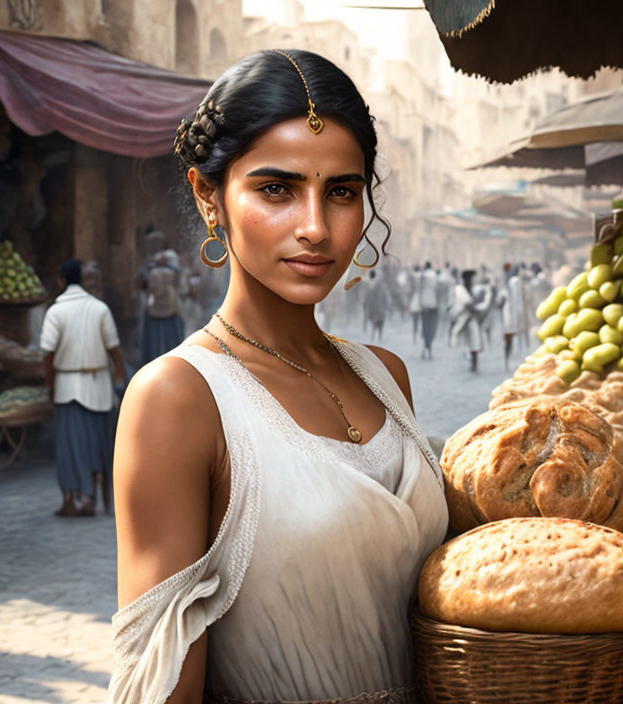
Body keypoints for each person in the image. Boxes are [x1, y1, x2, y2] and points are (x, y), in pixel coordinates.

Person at [109, 49, 448, 704]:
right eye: (276, 189)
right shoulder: (179, 398)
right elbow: (162, 681)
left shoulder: (385, 375)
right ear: (209, 196)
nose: (317, 228)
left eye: (342, 193)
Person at [41, 260, 126, 517]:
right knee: (97, 444)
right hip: (99, 387)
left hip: (68, 388)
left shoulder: (55, 312)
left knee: (70, 447)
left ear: (61, 281)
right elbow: (115, 351)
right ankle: (88, 496)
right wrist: (118, 380)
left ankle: (76, 498)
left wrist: (50, 385)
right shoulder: (99, 309)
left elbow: (47, 354)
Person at [140, 249, 187, 365]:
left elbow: (149, 289)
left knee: (155, 341)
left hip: (159, 308)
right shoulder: (174, 272)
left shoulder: (152, 272)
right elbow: (183, 290)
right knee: (172, 339)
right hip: (167, 307)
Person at [449, 270, 490, 372]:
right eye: (470, 278)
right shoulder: (461, 290)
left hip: (472, 319)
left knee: (475, 344)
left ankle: (474, 365)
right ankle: (472, 363)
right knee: (468, 343)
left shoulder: (474, 289)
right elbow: (466, 303)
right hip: (464, 319)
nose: (471, 280)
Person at [418, 261, 440, 359]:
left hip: (424, 305)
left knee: (425, 327)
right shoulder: (435, 276)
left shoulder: (423, 276)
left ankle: (425, 348)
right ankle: (429, 348)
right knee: (431, 328)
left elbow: (420, 290)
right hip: (434, 305)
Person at [363, 269, 389, 341]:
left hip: (376, 306)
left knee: (376, 321)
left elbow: (368, 296)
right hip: (377, 307)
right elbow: (385, 298)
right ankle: (377, 337)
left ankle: (375, 336)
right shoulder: (377, 285)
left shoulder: (371, 285)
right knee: (378, 321)